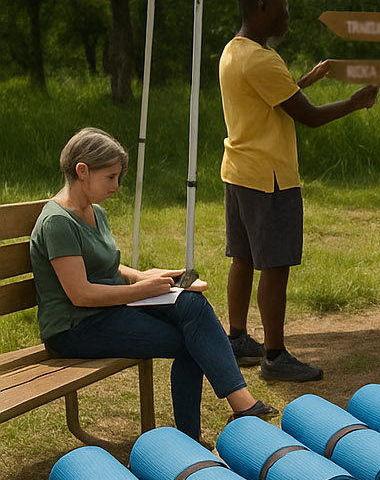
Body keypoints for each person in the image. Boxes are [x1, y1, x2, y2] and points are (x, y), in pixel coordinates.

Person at [30, 128, 274, 440]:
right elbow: (81, 294)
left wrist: (144, 275)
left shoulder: (95, 212)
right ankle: (220, 420)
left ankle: (225, 415)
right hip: (74, 328)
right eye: (111, 177)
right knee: (192, 339)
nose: (117, 186)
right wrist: (142, 290)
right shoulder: (58, 222)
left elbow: (105, 266)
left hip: (107, 311)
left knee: (191, 305)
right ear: (82, 171)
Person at [218, 0, 378, 382]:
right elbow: (308, 116)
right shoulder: (263, 59)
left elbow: (269, 100)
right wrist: (355, 102)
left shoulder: (234, 52)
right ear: (260, 6)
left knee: (243, 257)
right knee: (275, 265)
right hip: (269, 176)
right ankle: (274, 355)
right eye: (281, 5)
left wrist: (302, 82)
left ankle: (236, 338)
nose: (287, 12)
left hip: (238, 170)